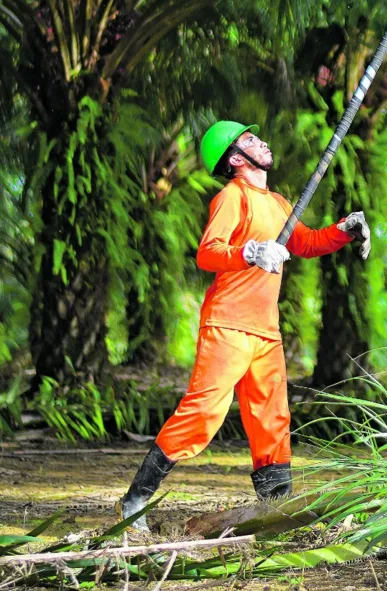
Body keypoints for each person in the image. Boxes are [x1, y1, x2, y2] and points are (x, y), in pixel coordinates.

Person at [119, 120, 370, 531]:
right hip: (229, 325)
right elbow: (208, 253)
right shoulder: (231, 197)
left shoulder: (277, 202)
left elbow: (303, 242)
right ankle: (134, 502)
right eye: (251, 140)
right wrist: (250, 252)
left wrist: (344, 229)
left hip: (266, 332)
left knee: (272, 420)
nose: (263, 141)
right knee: (202, 414)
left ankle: (278, 512)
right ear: (236, 159)